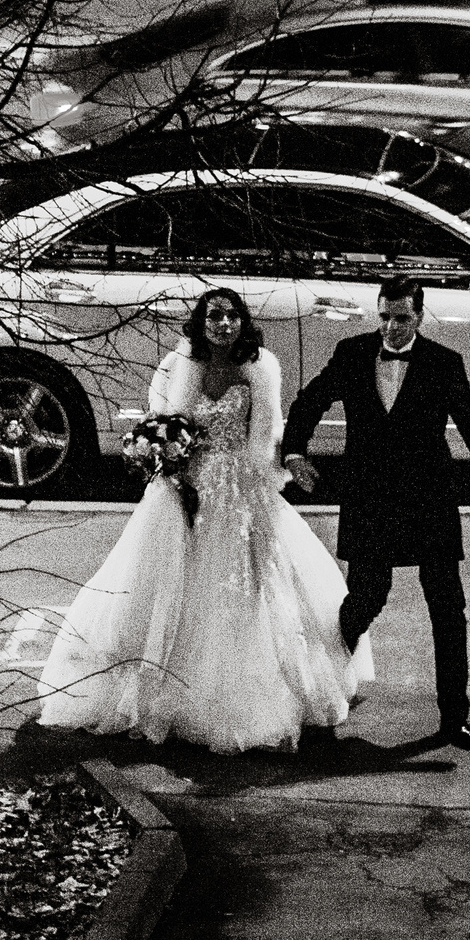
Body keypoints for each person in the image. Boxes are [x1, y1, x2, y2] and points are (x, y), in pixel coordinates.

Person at [38, 288, 372, 754]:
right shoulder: (183, 364)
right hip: (186, 482)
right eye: (214, 316)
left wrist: (272, 481)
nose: (223, 324)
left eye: (231, 316)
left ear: (242, 323)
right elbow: (169, 421)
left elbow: (265, 434)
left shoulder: (261, 367)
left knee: (245, 585)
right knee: (165, 581)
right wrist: (169, 468)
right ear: (201, 322)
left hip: (239, 484)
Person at [279, 274, 470, 753]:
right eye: (385, 317)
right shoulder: (352, 353)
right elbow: (309, 400)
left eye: (402, 319)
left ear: (419, 316)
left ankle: (454, 719)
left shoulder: (442, 362)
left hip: (428, 500)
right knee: (367, 598)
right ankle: (322, 691)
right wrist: (294, 453)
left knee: (447, 611)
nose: (391, 328)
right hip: (370, 499)